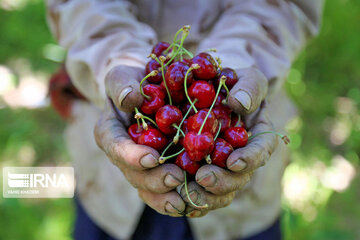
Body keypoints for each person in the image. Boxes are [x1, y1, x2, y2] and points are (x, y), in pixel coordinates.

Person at [45, 0, 324, 239]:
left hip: (243, 206)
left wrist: (239, 61)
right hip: (106, 184)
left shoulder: (212, 112)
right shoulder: (158, 103)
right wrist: (115, 58)